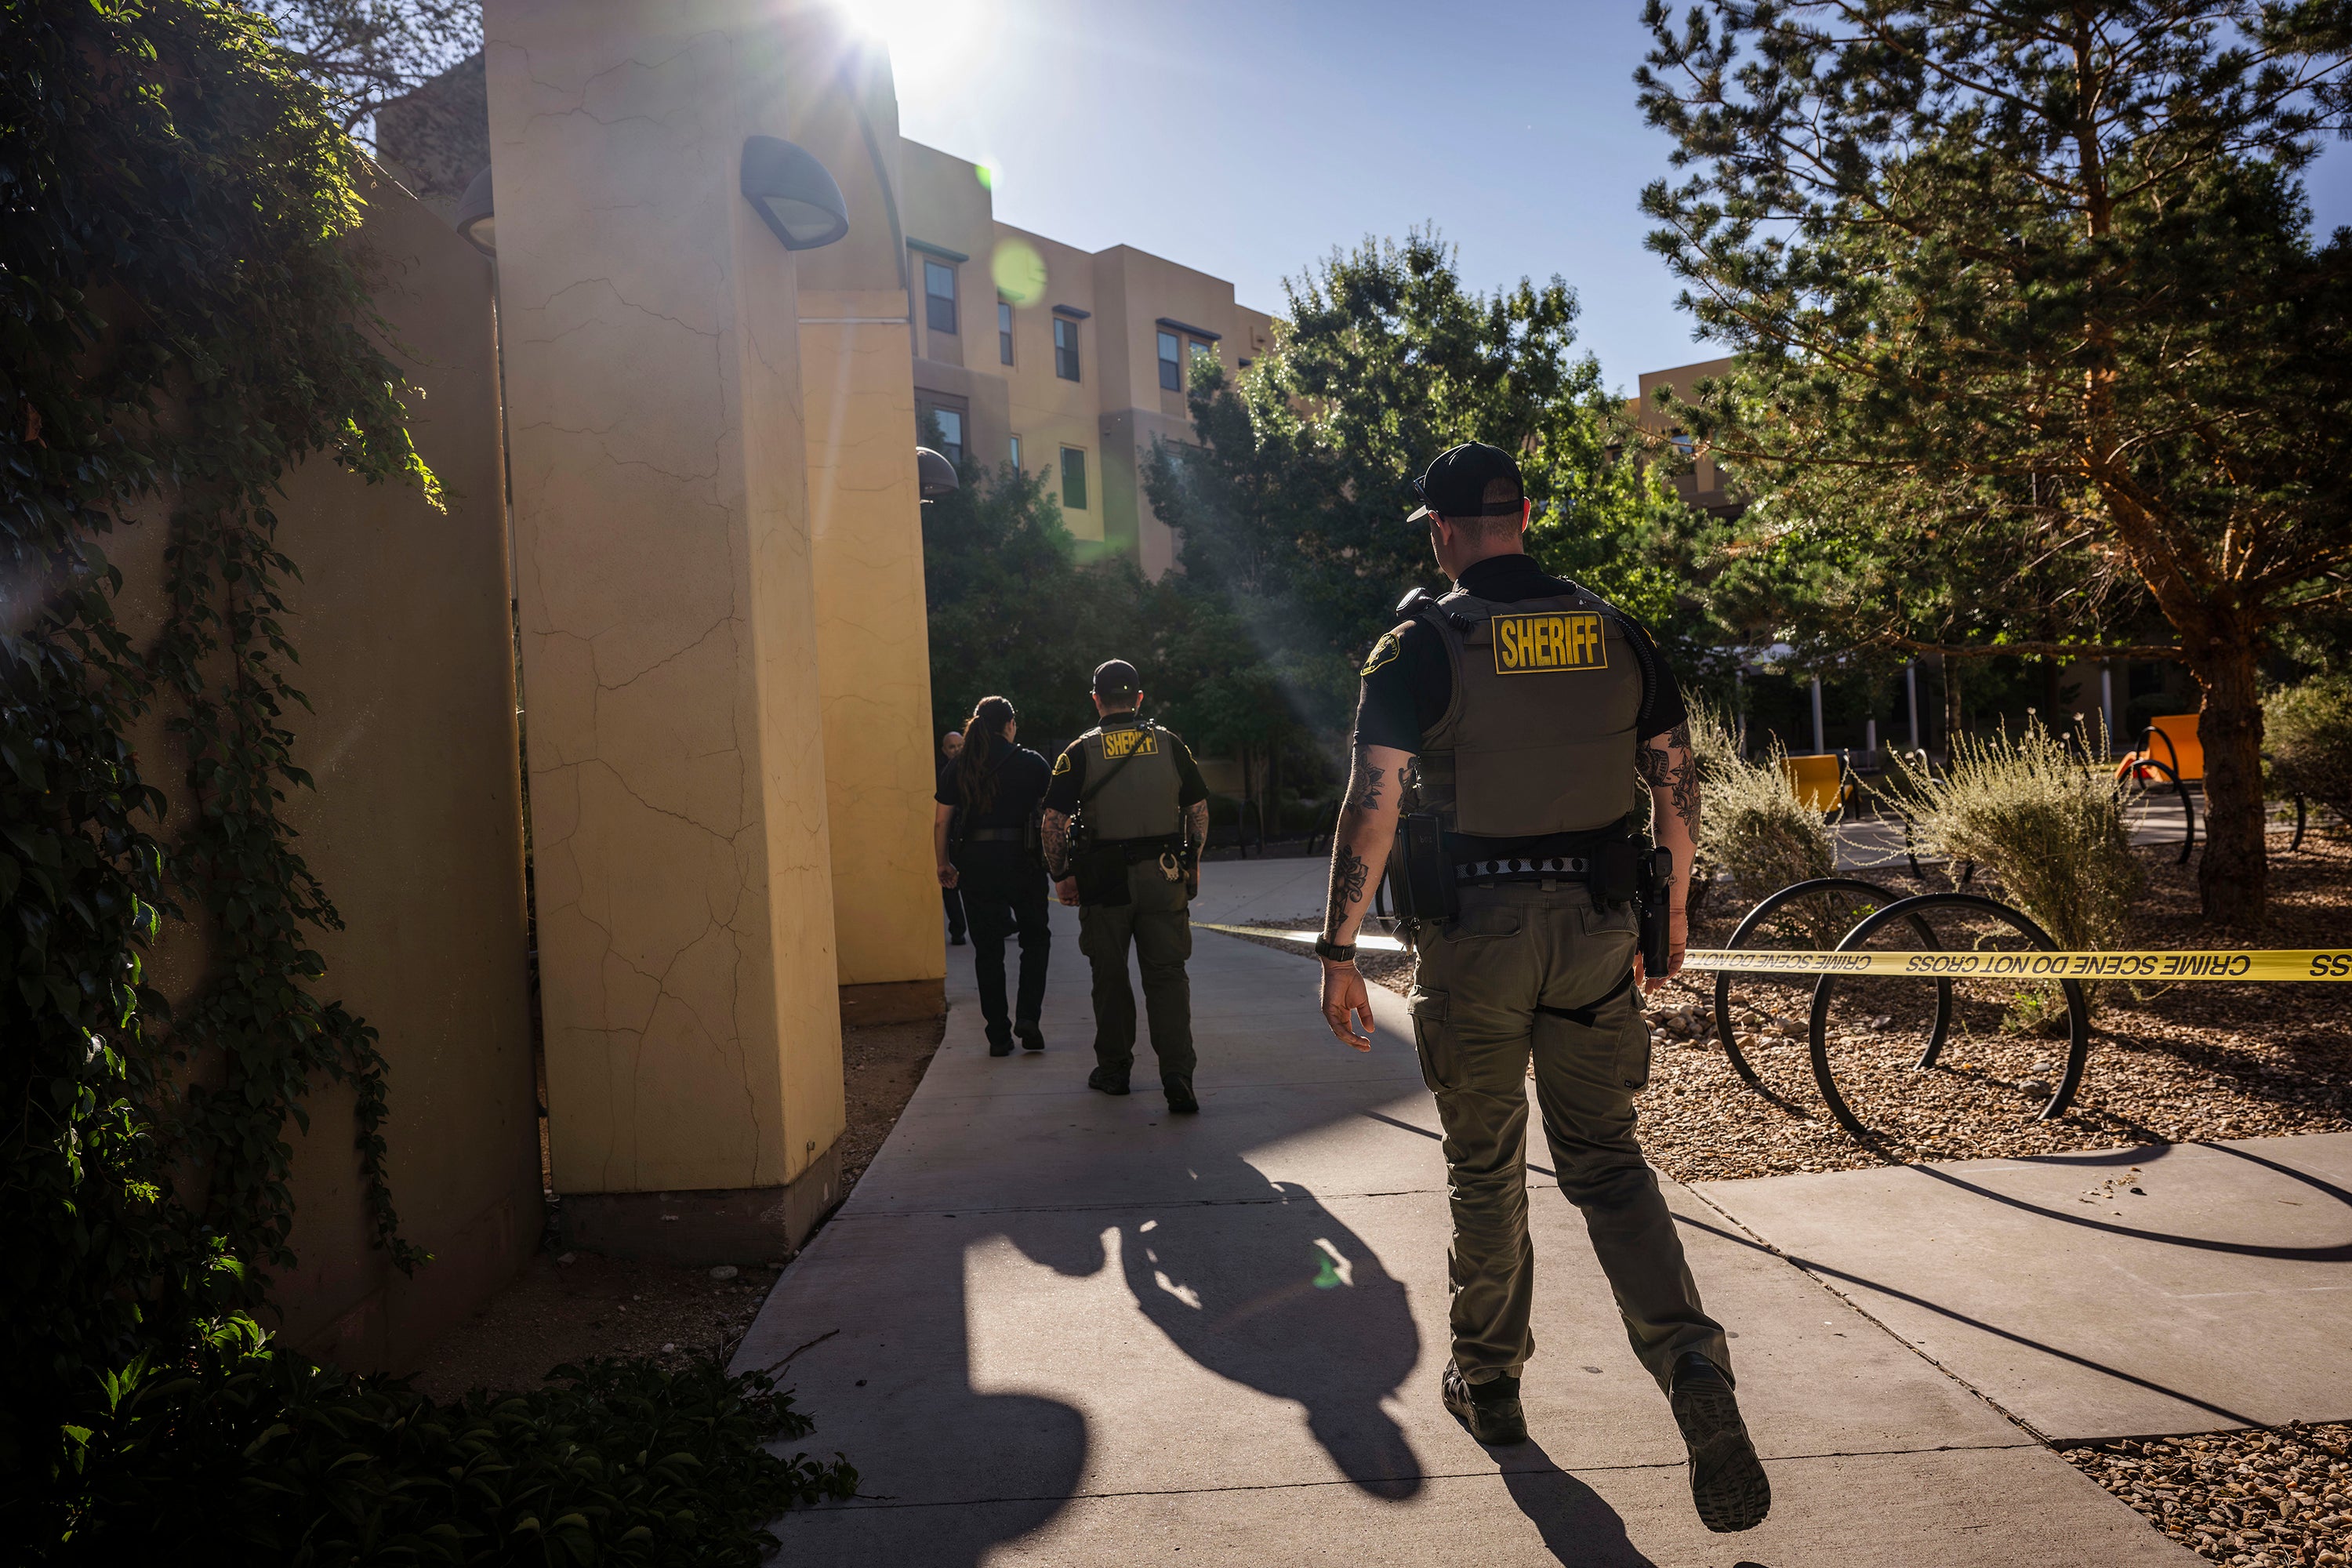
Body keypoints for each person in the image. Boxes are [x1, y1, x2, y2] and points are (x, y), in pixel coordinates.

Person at [1310, 441, 1769, 1534]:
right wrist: (1669, 919)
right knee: (1607, 1162)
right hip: (1599, 932)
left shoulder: (1419, 643)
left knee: (1486, 1170)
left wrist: (1338, 950)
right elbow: (1677, 785)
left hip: (1476, 941)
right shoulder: (1620, 631)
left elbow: (1374, 803)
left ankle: (1492, 1379)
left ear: (1441, 532)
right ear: (1525, 516)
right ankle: (1692, 1365)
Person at [1040, 659, 1210, 1113]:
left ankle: (1114, 1071)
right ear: (1138, 698)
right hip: (1164, 873)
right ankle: (1177, 1075)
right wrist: (1192, 865)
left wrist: (1061, 875)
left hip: (1104, 880)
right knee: (1168, 976)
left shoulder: (1079, 752)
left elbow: (1052, 822)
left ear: (1096, 699)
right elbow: (1197, 810)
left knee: (1110, 977)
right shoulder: (1170, 743)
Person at [935, 699, 1053, 1055]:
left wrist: (943, 863)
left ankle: (998, 1035)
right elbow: (1054, 818)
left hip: (977, 863)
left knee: (987, 950)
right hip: (1024, 861)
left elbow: (941, 821)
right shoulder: (1032, 763)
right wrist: (1060, 866)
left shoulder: (959, 767)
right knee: (1035, 939)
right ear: (1010, 724)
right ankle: (1028, 1017)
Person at [939, 729, 968, 946]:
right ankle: (958, 929)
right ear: (944, 751)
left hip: (970, 836)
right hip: (951, 837)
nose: (957, 750)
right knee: (950, 885)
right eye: (952, 747)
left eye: (960, 746)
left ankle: (1004, 921)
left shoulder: (976, 769)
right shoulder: (944, 774)